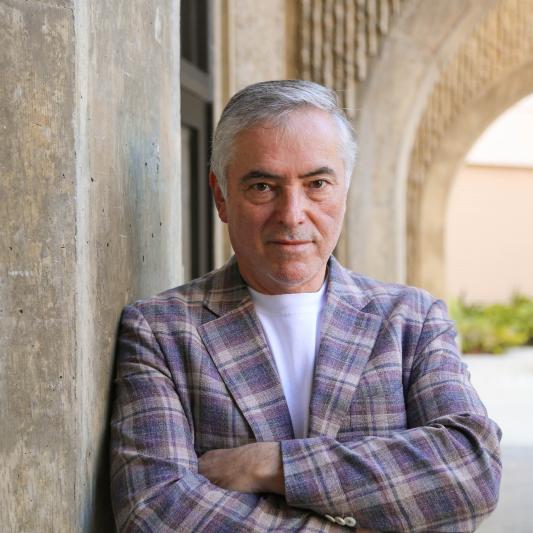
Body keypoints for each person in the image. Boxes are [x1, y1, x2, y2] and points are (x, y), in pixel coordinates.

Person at [110, 80, 501, 532]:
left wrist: (274, 465)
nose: (292, 214)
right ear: (221, 196)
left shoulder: (411, 320)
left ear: (344, 190)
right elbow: (157, 511)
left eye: (317, 184)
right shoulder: (162, 331)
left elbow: (472, 469)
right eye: (262, 186)